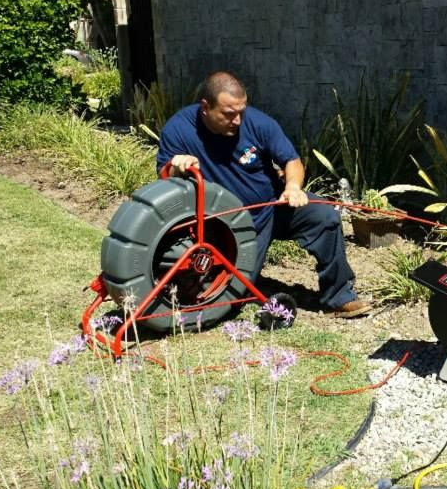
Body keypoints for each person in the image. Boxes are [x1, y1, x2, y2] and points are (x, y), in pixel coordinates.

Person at [156, 71, 371, 318]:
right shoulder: (179, 129)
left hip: (272, 207)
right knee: (227, 300)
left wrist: (292, 187)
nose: (237, 120)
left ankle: (339, 296)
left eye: (241, 111)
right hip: (225, 226)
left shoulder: (258, 123)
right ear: (205, 107)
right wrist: (177, 166)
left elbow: (291, 160)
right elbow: (165, 177)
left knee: (324, 215)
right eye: (228, 114)